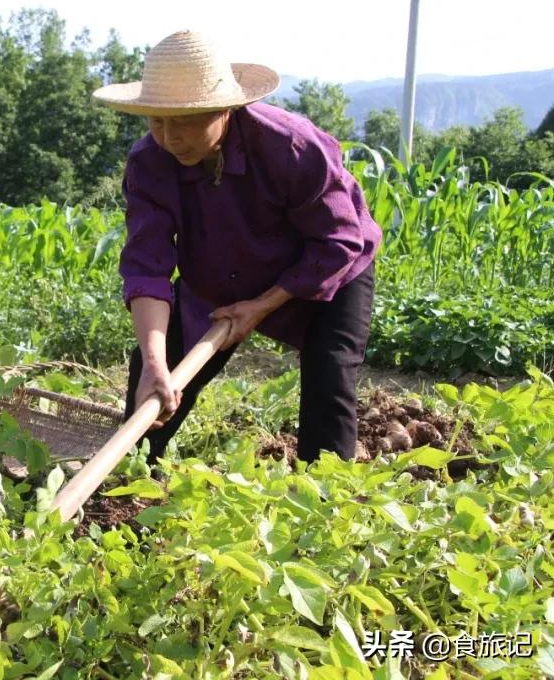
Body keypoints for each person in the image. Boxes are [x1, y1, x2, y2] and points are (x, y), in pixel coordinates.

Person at [91, 30, 383, 465]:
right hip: (218, 275)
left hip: (322, 266)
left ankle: (324, 498)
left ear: (223, 110)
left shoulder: (292, 146)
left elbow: (337, 239)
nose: (170, 137)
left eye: (185, 121)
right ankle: (126, 476)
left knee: (329, 372)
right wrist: (155, 360)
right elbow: (147, 267)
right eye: (157, 121)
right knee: (158, 371)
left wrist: (263, 305)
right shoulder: (149, 163)